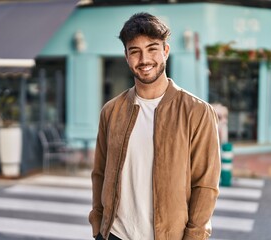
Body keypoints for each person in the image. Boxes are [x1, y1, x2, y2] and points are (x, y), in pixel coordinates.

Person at [89, 12, 221, 240]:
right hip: (114, 234)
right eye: (135, 51)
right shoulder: (111, 111)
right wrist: (98, 227)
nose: (144, 59)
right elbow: (99, 173)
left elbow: (205, 186)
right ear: (126, 57)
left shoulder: (197, 112)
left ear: (165, 51)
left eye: (152, 49)